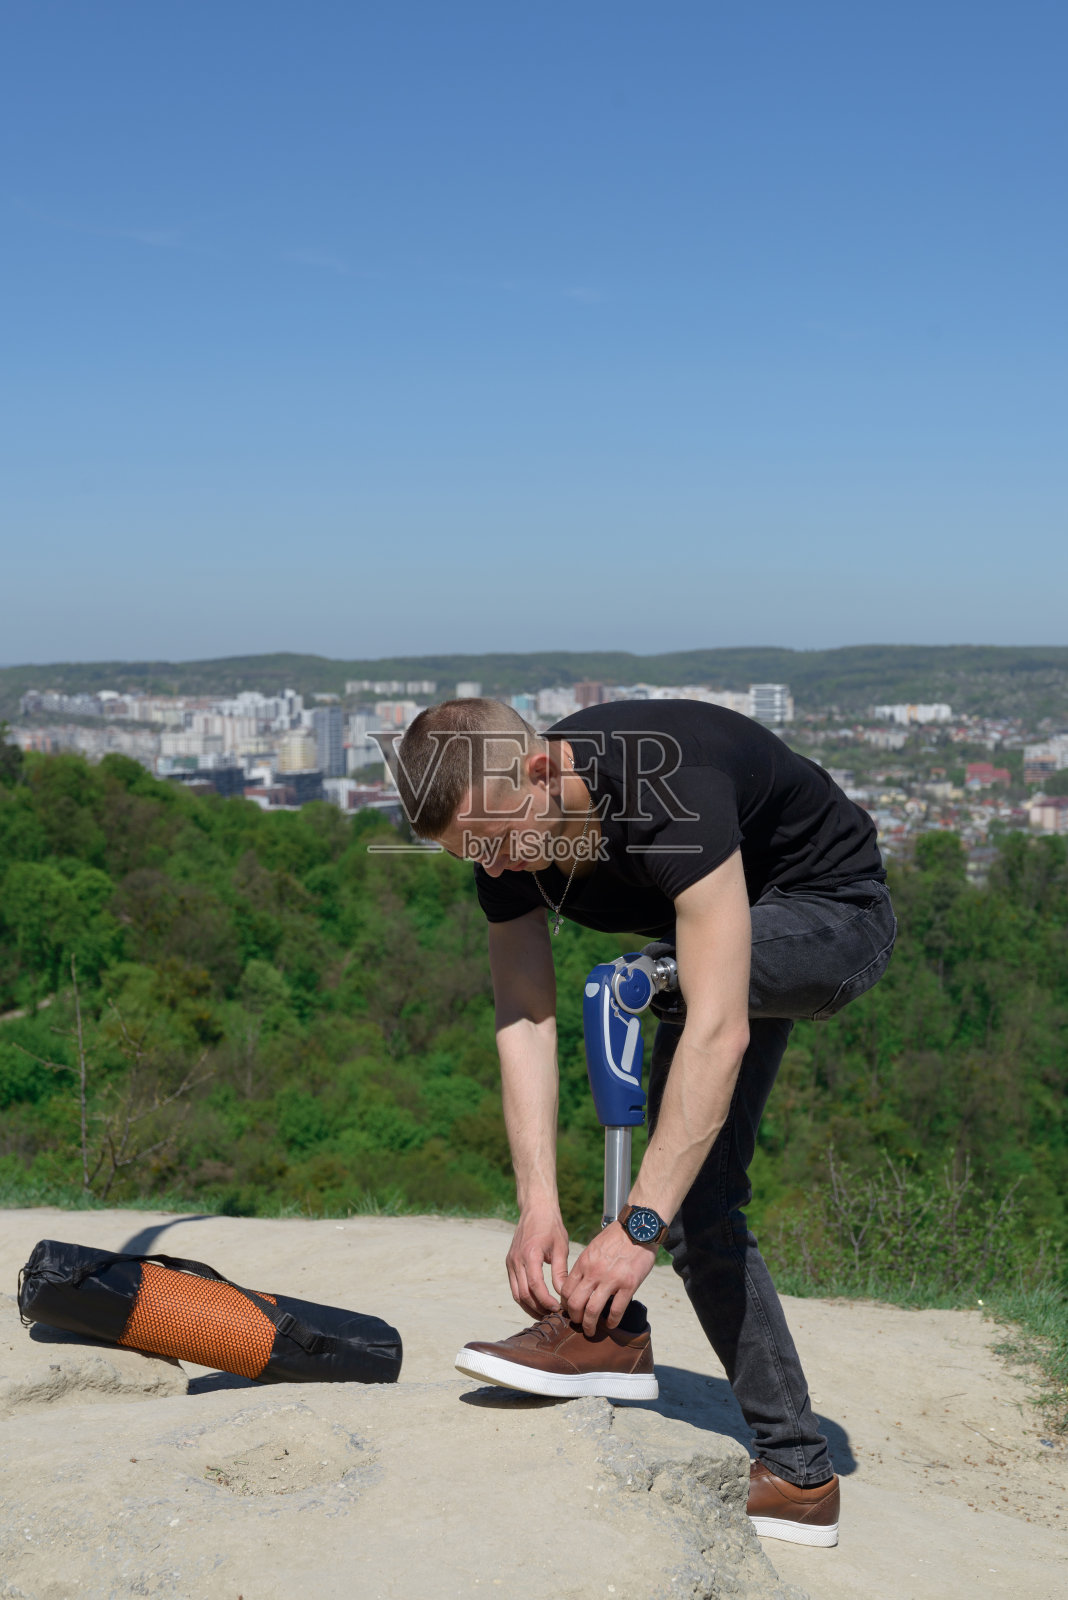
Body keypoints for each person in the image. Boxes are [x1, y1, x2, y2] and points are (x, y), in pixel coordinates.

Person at [391, 696, 896, 1547]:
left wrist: (636, 1224)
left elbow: (718, 1025)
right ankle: (797, 1474)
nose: (493, 864)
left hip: (831, 917)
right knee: (698, 1205)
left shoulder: (665, 789)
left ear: (545, 771)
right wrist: (536, 1204)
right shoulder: (501, 835)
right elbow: (523, 1015)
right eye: (470, 851)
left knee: (635, 988)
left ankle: (609, 1319)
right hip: (708, 944)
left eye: (497, 838)